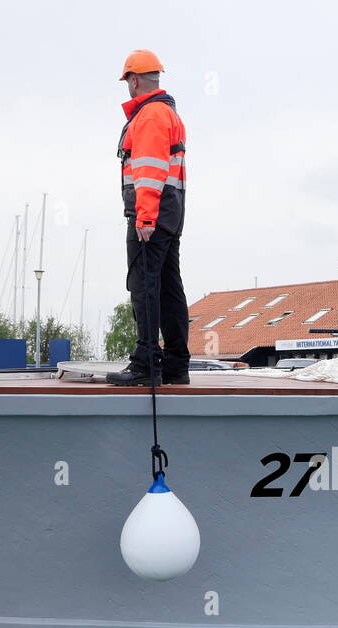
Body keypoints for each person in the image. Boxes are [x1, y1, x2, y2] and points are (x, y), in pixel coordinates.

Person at [107, 49, 190, 387]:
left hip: (152, 215)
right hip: (170, 212)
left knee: (144, 286)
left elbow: (150, 170)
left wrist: (144, 218)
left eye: (127, 80)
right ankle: (175, 363)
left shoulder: (150, 116)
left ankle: (146, 363)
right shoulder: (167, 114)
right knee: (169, 287)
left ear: (134, 80)